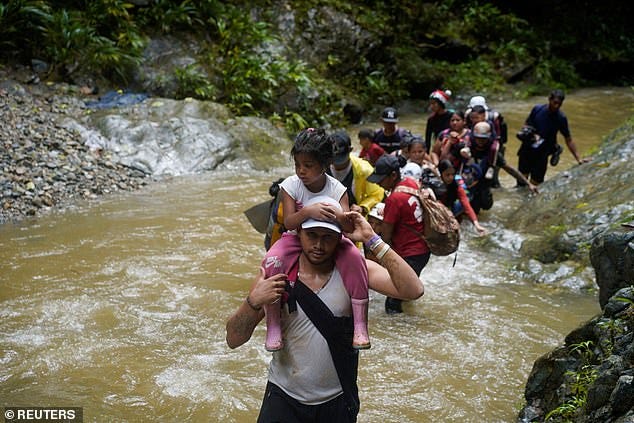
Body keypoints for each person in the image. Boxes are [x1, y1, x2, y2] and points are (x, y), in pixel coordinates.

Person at [226, 206, 424, 423]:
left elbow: (413, 290)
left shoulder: (356, 272)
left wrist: (371, 238)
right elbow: (234, 339)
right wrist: (253, 302)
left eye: (328, 237)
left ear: (340, 237)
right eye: (312, 235)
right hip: (284, 398)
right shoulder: (275, 275)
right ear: (298, 232)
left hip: (337, 401)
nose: (319, 245)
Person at [262, 128, 370, 352]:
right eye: (297, 164)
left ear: (325, 164)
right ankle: (273, 325)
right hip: (296, 236)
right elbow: (290, 222)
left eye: (308, 165)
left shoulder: (337, 189)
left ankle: (360, 324)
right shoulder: (291, 185)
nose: (301, 171)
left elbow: (348, 227)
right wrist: (308, 212)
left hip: (333, 237)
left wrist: (340, 216)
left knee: (356, 259)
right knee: (272, 259)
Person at [366, 155, 431, 314]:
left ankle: (408, 330)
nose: (379, 184)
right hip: (423, 251)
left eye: (382, 179)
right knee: (407, 291)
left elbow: (386, 236)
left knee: (392, 302)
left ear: (393, 175)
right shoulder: (409, 183)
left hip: (410, 253)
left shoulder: (394, 199)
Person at [518, 89, 589, 185]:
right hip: (527, 150)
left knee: (536, 184)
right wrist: (532, 134)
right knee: (521, 183)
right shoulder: (537, 109)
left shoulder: (561, 118)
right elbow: (526, 125)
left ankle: (556, 149)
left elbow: (568, 139)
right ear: (549, 99)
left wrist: (578, 158)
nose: (556, 106)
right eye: (555, 103)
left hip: (542, 154)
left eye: (559, 104)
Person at [469, 121, 539, 214]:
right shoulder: (466, 148)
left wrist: (528, 183)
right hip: (467, 183)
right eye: (478, 138)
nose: (480, 141)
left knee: (485, 205)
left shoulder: (493, 153)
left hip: (483, 185)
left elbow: (509, 169)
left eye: (483, 139)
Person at [328, 131, 385, 216]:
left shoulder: (364, 170)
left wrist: (363, 207)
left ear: (351, 150)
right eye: (334, 159)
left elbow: (377, 194)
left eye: (341, 159)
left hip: (353, 214)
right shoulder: (320, 167)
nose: (337, 164)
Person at [436, 159, 487, 235]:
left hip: (451, 207)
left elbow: (466, 203)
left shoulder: (456, 185)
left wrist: (476, 224)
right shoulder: (434, 185)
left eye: (452, 174)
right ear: (440, 174)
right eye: (447, 175)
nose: (451, 177)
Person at [424, 89, 452, 153]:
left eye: (434, 103)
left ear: (441, 103)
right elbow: (428, 140)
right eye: (430, 104)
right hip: (438, 148)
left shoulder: (452, 117)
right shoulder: (431, 119)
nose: (431, 106)